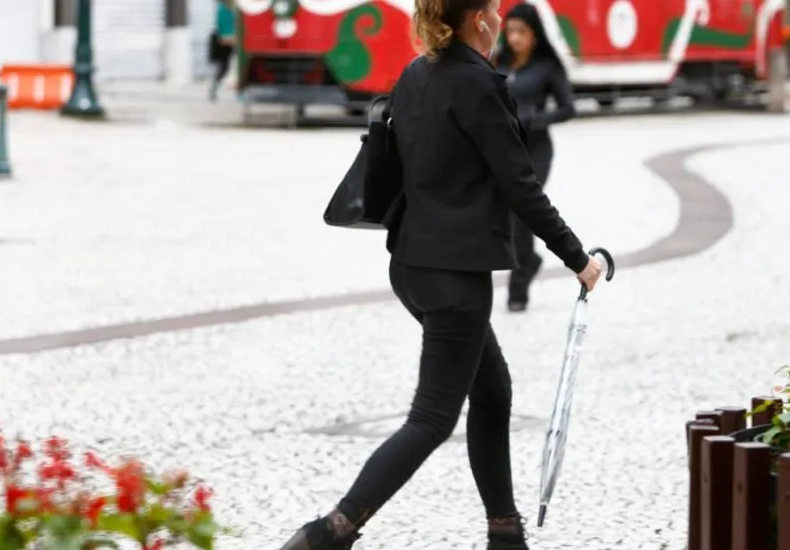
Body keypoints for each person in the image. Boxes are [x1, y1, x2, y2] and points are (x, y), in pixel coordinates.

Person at [276, 0, 603, 546]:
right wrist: (578, 259)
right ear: (479, 19)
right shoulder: (480, 85)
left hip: (411, 264)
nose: (499, 17)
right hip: (454, 277)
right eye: (494, 9)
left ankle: (505, 531)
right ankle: (330, 532)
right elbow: (521, 186)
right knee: (431, 419)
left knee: (493, 390)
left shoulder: (416, 73)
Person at [493, 2, 576, 312]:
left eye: (522, 32)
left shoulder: (547, 66)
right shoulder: (498, 62)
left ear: (535, 34)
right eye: (510, 31)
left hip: (536, 151)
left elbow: (568, 108)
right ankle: (529, 260)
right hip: (504, 149)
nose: (515, 38)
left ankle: (518, 286)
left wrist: (534, 119)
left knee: (522, 210)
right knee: (506, 213)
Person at [209, 0, 236, 102]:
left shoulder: (228, 8)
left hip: (231, 38)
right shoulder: (224, 9)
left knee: (226, 66)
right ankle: (214, 89)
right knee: (225, 66)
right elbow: (222, 25)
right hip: (228, 39)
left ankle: (215, 89)